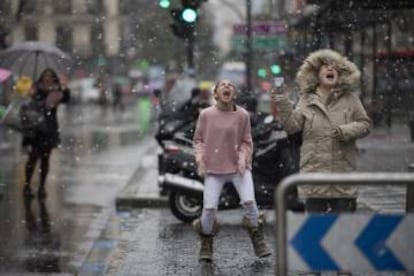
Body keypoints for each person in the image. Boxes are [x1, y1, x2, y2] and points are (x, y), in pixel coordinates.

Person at [270, 49, 372, 215]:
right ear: (316, 75)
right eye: (325, 66)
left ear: (340, 74)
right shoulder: (306, 99)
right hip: (314, 176)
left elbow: (365, 124)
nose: (330, 69)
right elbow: (292, 128)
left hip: (342, 175)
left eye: (334, 67)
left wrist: (346, 130)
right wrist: (283, 104)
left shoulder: (350, 98)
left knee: (343, 229)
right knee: (314, 230)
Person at [192, 79, 271, 262]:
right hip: (213, 168)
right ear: (216, 94)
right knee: (209, 209)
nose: (227, 87)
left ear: (234, 94)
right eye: (223, 85)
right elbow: (198, 140)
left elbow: (246, 141)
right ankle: (206, 240)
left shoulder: (242, 115)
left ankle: (257, 237)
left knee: (250, 203)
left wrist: (243, 159)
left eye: (230, 85)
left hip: (238, 168)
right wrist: (200, 159)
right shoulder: (206, 115)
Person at [22, 68, 70, 198]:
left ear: (53, 78)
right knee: (33, 157)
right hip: (35, 128)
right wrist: (31, 94)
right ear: (41, 77)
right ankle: (27, 185)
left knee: (45, 159)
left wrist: (65, 87)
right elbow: (28, 105)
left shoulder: (57, 90)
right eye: (45, 76)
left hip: (49, 128)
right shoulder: (35, 88)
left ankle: (42, 187)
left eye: (50, 76)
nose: (47, 78)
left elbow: (66, 99)